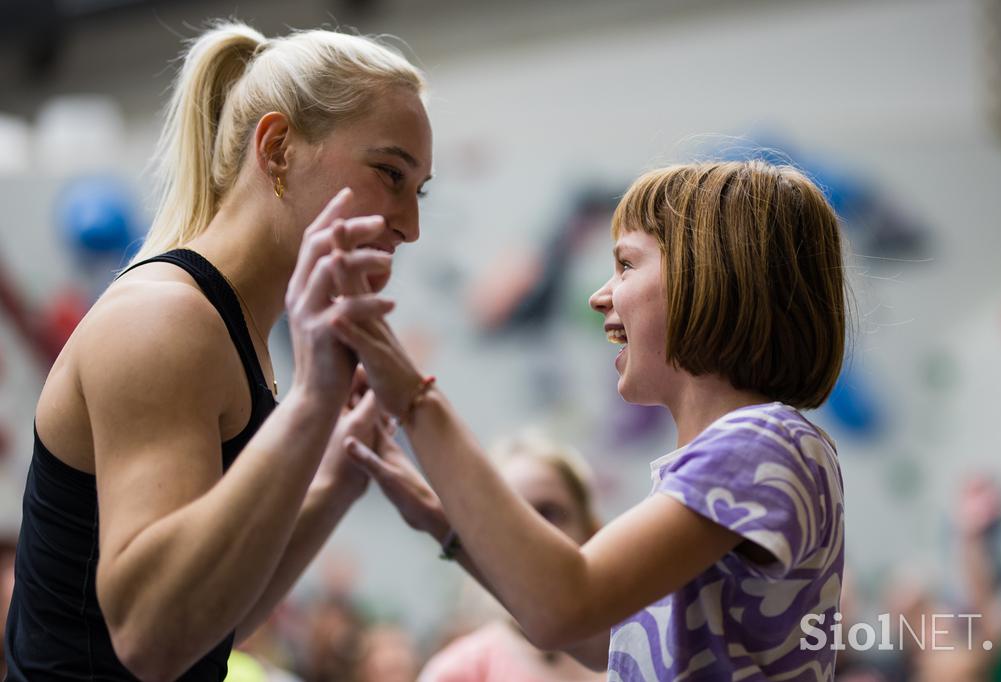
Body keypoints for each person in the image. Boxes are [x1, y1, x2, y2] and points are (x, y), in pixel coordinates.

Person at [4, 19, 432, 681]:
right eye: (390, 175)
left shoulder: (234, 333)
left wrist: (340, 479)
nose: (409, 225)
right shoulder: (165, 320)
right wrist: (313, 403)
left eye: (417, 189)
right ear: (280, 146)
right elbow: (151, 638)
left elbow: (211, 618)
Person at [341, 160, 848, 679]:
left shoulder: (759, 443)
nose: (598, 294)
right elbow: (607, 637)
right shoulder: (744, 453)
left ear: (711, 277)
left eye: (626, 265)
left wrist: (409, 392)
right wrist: (433, 513)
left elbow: (566, 604)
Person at [420, 432, 605, 682]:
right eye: (511, 520)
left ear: (592, 529)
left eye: (549, 513)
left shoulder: (636, 652)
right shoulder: (457, 673)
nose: (532, 536)